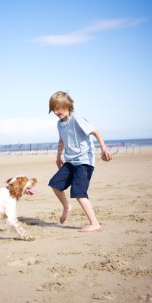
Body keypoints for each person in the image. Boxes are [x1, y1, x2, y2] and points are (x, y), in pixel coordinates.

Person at [48, 91, 112, 232]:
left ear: (68, 105)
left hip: (84, 161)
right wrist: (58, 157)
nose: (56, 111)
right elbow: (61, 141)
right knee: (55, 184)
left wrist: (103, 148)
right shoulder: (60, 124)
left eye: (59, 108)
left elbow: (95, 132)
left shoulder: (77, 119)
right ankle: (66, 206)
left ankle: (95, 223)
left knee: (78, 192)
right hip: (70, 161)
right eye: (54, 109)